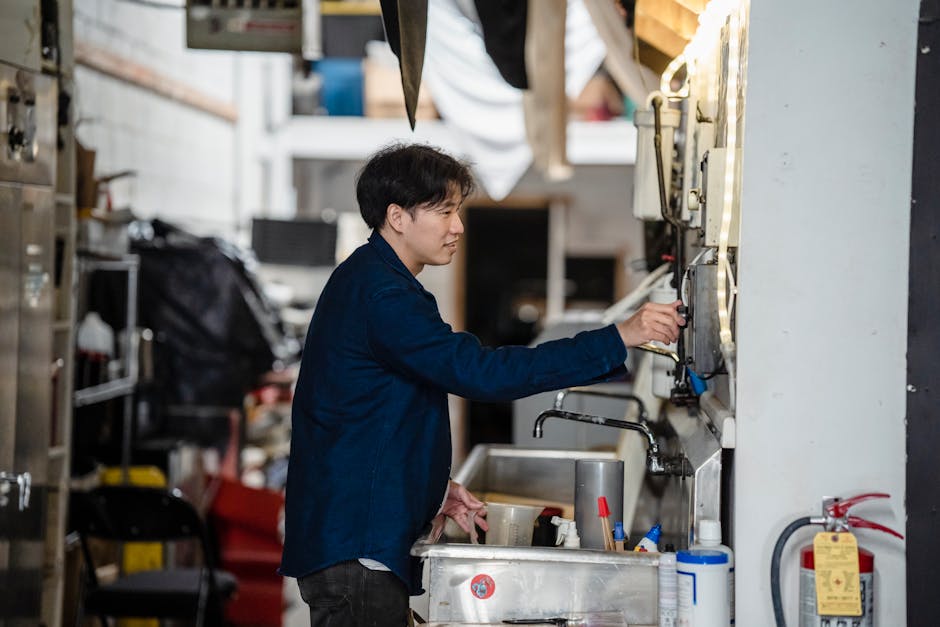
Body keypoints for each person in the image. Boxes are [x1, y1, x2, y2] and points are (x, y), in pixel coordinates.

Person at [280, 143, 685, 626]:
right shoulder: (382, 294)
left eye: (458, 211)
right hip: (356, 542)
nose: (458, 227)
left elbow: (374, 412)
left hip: (355, 532)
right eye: (445, 211)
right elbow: (482, 372)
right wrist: (619, 338)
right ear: (397, 217)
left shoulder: (376, 282)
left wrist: (429, 487)